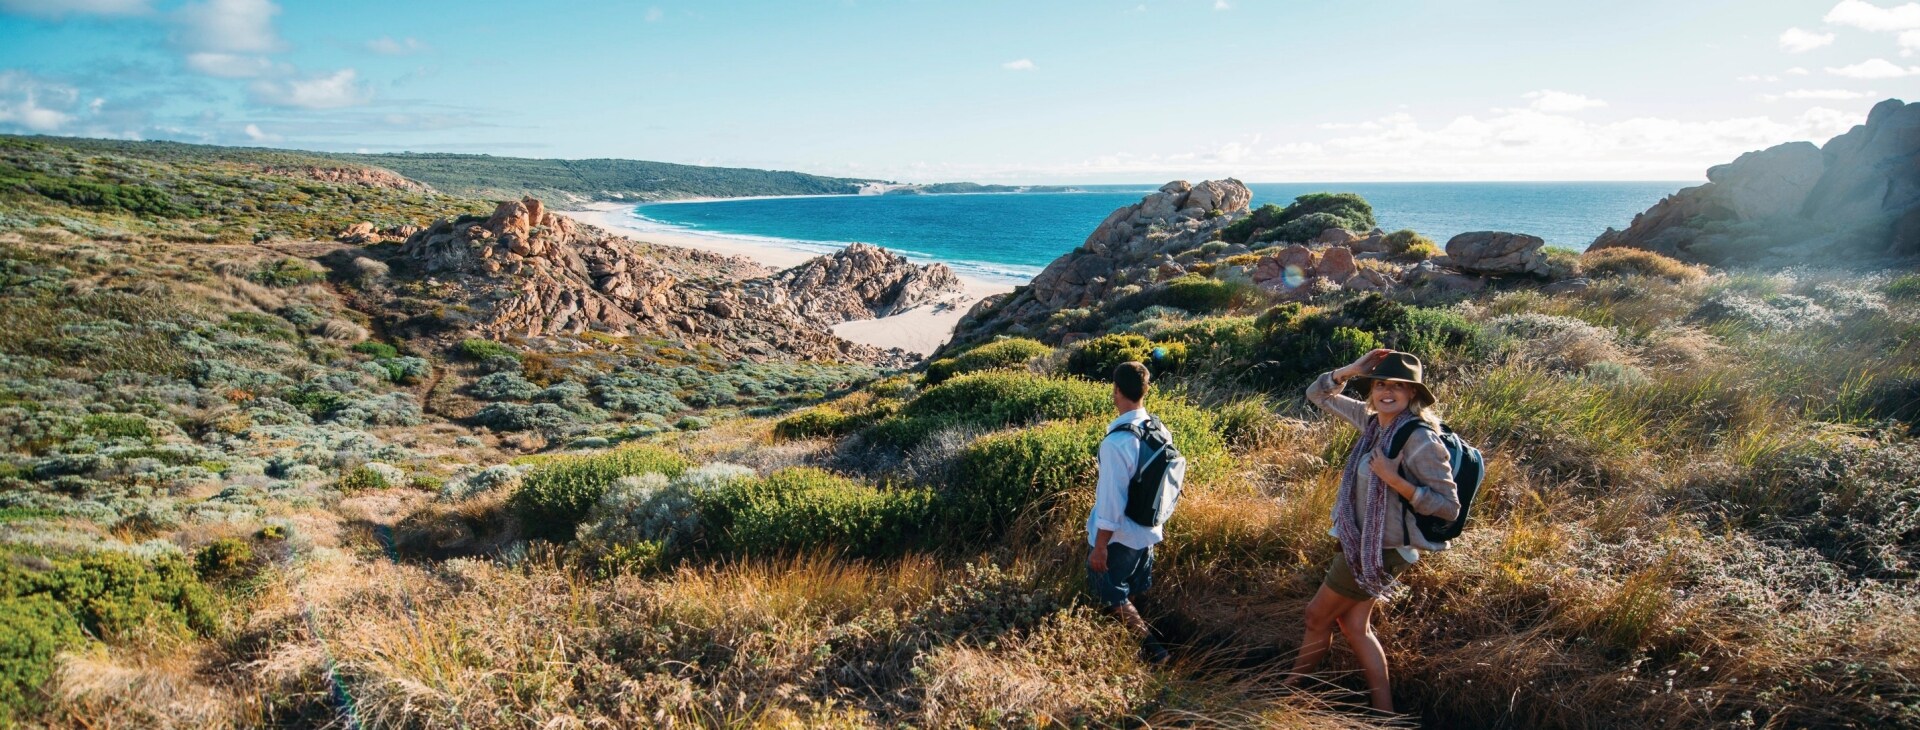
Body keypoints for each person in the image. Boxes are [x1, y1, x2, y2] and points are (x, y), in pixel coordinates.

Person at [1284, 348, 1460, 713]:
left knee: (1316, 617)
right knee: (1352, 625)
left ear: (1413, 394)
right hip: (1362, 541)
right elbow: (1317, 395)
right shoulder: (1373, 422)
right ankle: (1385, 711)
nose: (1388, 392)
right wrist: (1351, 370)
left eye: (1399, 386)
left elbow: (1448, 507)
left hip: (1382, 548)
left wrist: (1395, 481)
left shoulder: (1420, 439)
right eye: (1381, 383)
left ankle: (1287, 694)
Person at [1087, 360, 1172, 663]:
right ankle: (1130, 648)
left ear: (1117, 391)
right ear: (1144, 392)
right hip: (1148, 531)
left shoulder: (1117, 442)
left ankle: (1154, 651)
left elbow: (1111, 503)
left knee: (1111, 594)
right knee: (1129, 591)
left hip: (1120, 537)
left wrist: (1099, 547)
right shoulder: (1159, 428)